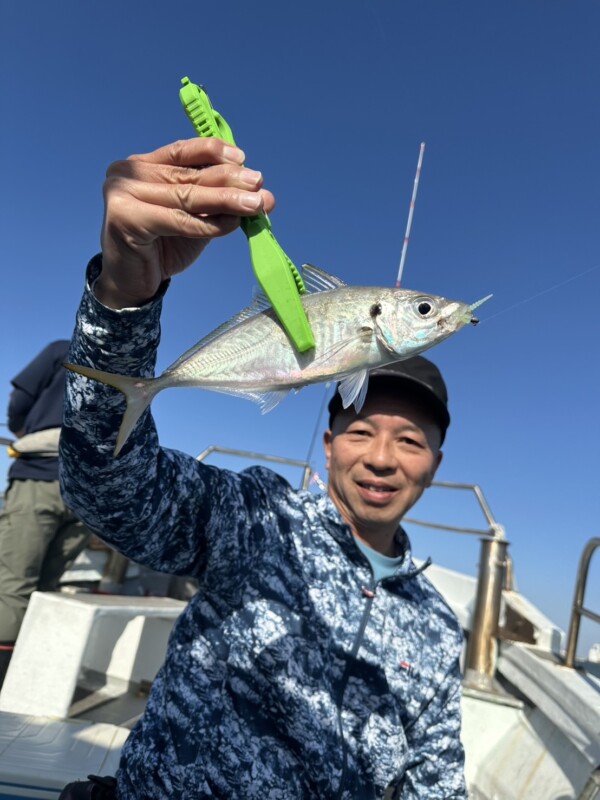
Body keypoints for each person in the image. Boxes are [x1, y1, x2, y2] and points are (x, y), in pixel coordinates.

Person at [59, 137, 466, 798]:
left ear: (436, 464)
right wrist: (124, 300)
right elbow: (110, 491)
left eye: (412, 440)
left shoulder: (439, 625)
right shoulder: (258, 522)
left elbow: (435, 781)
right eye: (362, 430)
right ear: (329, 442)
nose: (384, 458)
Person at [0, 340, 93, 686]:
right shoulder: (131, 361)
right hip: (87, 495)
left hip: (40, 479)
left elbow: (19, 402)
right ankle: (23, 680)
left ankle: (4, 681)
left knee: (13, 587)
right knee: (47, 588)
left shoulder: (62, 350)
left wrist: (21, 430)